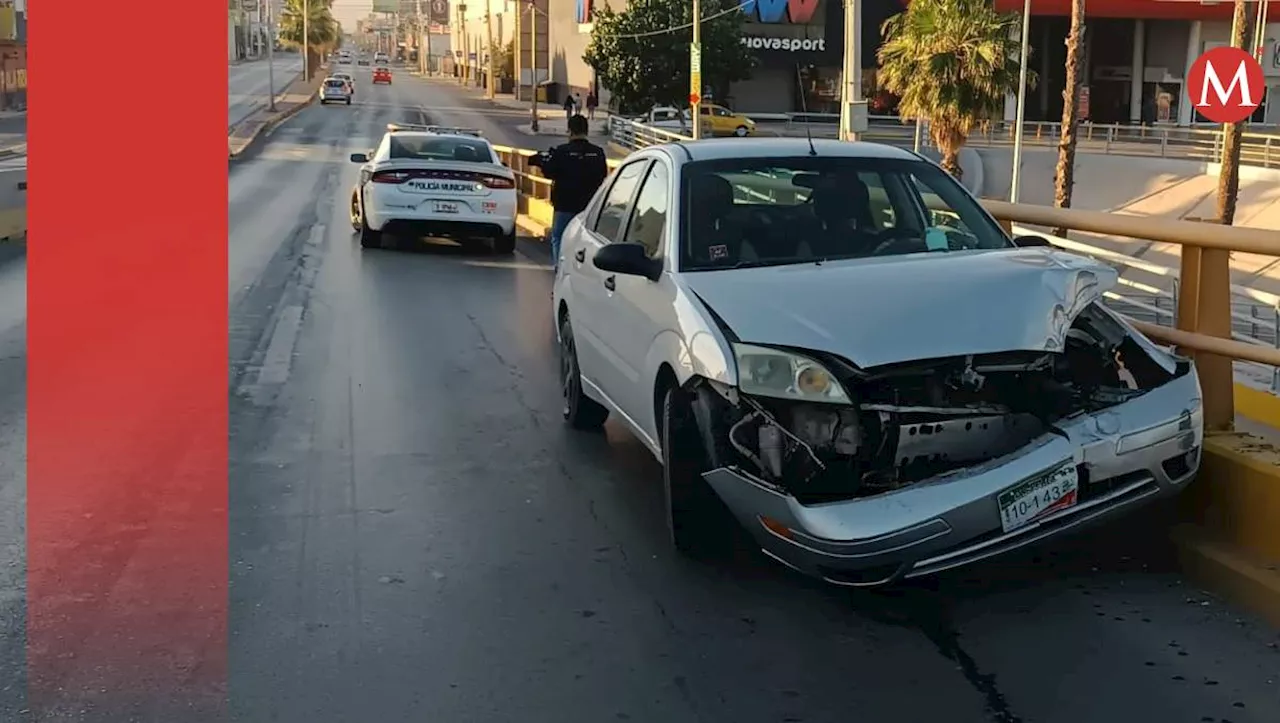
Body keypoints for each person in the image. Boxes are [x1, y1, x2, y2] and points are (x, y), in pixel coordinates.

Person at [528, 114, 609, 274]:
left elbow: (550, 171)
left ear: (569, 130)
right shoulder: (597, 153)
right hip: (589, 208)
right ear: (586, 130)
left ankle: (561, 272)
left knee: (559, 237)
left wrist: (543, 162)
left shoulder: (562, 152)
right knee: (587, 242)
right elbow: (603, 176)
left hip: (564, 205)